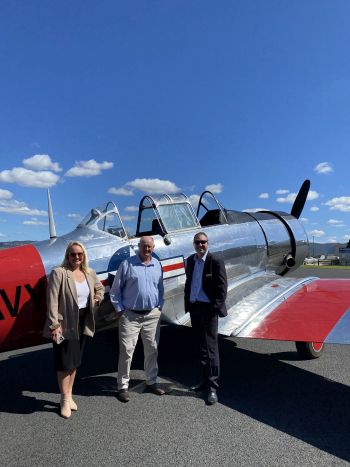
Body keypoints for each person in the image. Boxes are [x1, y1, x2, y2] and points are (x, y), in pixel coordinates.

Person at [44, 241, 104, 419]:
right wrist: (54, 325)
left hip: (82, 320)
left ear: (84, 255)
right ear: (67, 256)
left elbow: (99, 288)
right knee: (64, 362)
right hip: (64, 324)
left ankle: (69, 395)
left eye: (80, 254)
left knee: (75, 360)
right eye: (73, 254)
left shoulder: (89, 273)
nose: (76, 257)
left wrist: (97, 299)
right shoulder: (59, 273)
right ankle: (63, 399)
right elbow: (52, 301)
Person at [110, 236, 165, 403]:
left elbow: (160, 288)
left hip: (152, 315)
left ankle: (151, 381)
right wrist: (120, 311)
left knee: (152, 349)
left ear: (153, 247)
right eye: (144, 246)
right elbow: (115, 290)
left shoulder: (157, 264)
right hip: (130, 315)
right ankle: (123, 386)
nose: (146, 249)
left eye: (149, 246)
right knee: (126, 351)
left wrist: (159, 306)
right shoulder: (127, 264)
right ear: (139, 246)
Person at [184, 232, 228, 405]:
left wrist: (214, 309)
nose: (200, 245)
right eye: (197, 242)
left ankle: (213, 387)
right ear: (194, 244)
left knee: (211, 348)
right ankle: (204, 381)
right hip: (195, 308)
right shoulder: (190, 261)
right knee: (201, 347)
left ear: (208, 243)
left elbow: (222, 288)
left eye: (203, 242)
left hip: (208, 309)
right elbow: (189, 283)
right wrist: (188, 304)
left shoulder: (215, 261)